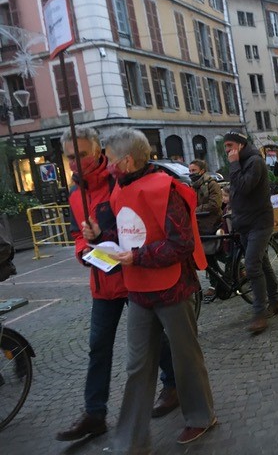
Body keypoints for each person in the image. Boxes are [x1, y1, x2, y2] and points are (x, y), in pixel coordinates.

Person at [90, 128, 215, 451]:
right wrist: (100, 237)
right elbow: (128, 232)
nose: (107, 166)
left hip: (173, 288)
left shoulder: (165, 188)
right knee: (137, 365)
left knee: (185, 357)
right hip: (138, 290)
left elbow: (182, 243)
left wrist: (137, 256)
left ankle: (201, 417)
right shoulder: (120, 189)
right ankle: (130, 439)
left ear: (127, 161)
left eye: (111, 160)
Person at [55, 128, 178, 443]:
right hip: (102, 283)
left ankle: (173, 384)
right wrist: (83, 251)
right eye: (70, 157)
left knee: (154, 338)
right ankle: (94, 413)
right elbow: (78, 234)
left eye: (81, 154)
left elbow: (138, 224)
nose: (75, 162)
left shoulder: (119, 182)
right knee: (98, 347)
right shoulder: (74, 194)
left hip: (133, 276)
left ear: (98, 152)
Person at [224, 131, 278, 334]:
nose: (227, 150)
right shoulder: (240, 162)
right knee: (262, 263)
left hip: (260, 222)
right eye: (225, 146)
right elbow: (236, 190)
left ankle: (260, 312)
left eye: (230, 145)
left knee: (251, 266)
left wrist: (234, 165)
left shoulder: (255, 162)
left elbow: (244, 186)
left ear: (241, 145)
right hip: (244, 223)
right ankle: (275, 301)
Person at [188, 159, 223, 235]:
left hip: (211, 223)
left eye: (193, 170)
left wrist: (196, 210)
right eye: (190, 171)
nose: (191, 173)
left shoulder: (212, 184)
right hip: (197, 223)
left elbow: (215, 204)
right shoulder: (192, 186)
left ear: (202, 171)